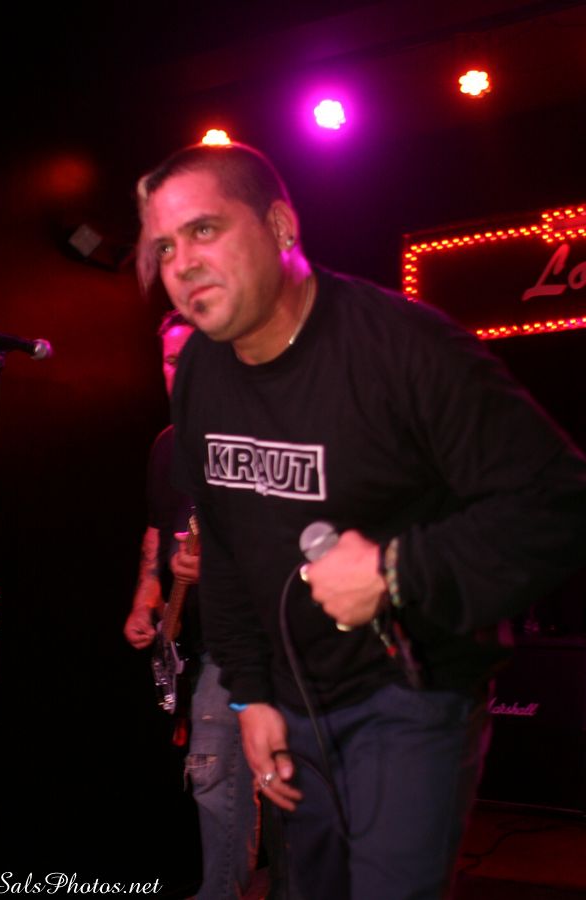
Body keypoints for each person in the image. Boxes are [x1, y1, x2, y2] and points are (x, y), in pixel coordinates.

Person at [134, 142, 586, 900]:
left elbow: (560, 500)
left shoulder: (403, 348)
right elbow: (228, 547)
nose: (181, 263)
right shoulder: (202, 372)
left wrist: (394, 570)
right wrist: (250, 695)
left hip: (410, 692)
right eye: (165, 247)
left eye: (204, 229)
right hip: (293, 701)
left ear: (280, 227)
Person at [123, 309, 259, 900]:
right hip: (200, 641)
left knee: (220, 773)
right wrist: (145, 600)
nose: (180, 372)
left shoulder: (257, 436)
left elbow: (293, 545)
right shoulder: (169, 445)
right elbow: (158, 531)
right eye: (171, 360)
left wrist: (218, 568)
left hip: (257, 637)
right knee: (222, 775)